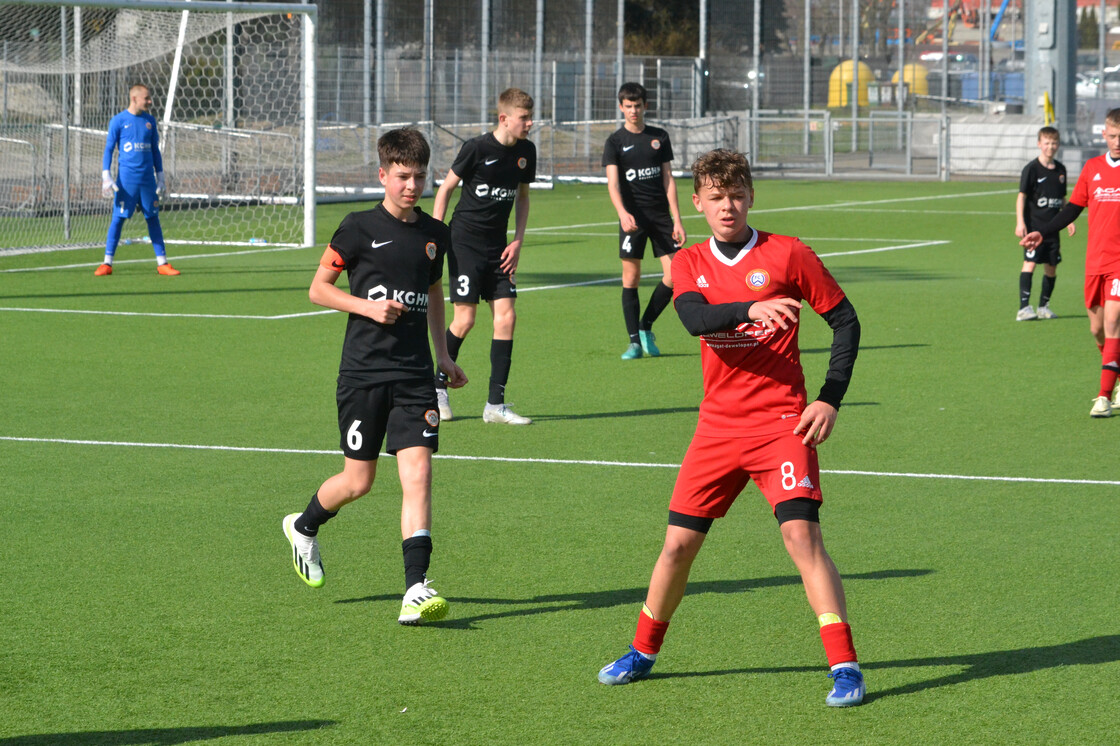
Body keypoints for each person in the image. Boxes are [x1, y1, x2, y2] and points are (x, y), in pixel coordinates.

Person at [597, 149, 866, 707]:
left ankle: (845, 666)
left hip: (781, 425)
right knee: (677, 547)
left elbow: (845, 320)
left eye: (738, 195)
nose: (728, 206)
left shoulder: (790, 254)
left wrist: (829, 399)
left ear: (751, 197)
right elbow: (695, 319)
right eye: (716, 197)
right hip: (717, 429)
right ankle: (643, 652)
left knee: (803, 538)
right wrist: (752, 309)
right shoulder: (689, 261)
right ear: (696, 202)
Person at [282, 128, 467, 625]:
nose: (412, 185)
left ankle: (415, 589)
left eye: (420, 176)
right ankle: (303, 526)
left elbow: (432, 297)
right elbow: (318, 289)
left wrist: (444, 356)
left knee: (419, 475)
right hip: (363, 374)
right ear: (382, 174)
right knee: (358, 481)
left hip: (413, 376)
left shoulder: (434, 235)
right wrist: (366, 306)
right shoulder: (356, 228)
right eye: (403, 176)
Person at [432, 88, 536, 425]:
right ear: (504, 118)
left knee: (506, 318)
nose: (530, 124)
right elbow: (446, 189)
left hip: (499, 247)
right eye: (524, 118)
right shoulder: (476, 148)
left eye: (531, 117)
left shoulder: (526, 152)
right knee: (465, 319)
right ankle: (437, 389)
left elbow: (522, 197)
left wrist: (518, 240)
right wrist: (433, 235)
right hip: (464, 243)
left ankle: (495, 406)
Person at [1022, 108, 1120, 418]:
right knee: (1096, 330)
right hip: (1096, 262)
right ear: (1103, 135)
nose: (1118, 142)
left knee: (1113, 323)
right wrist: (1042, 231)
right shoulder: (1092, 169)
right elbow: (1073, 209)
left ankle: (1103, 396)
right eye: (1113, 136)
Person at [602, 82, 686, 359]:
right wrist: (622, 213)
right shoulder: (615, 142)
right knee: (631, 277)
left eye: (637, 105)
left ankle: (646, 324)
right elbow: (613, 184)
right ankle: (634, 342)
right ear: (621, 107)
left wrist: (677, 219)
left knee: (675, 276)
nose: (633, 111)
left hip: (661, 217)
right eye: (628, 106)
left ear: (645, 106)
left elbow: (668, 178)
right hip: (632, 220)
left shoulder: (658, 137)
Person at [96, 84, 179, 276]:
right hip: (127, 181)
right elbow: (109, 148)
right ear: (134, 99)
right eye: (146, 98)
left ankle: (163, 263)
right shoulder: (118, 121)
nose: (150, 102)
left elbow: (155, 151)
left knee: (153, 217)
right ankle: (107, 263)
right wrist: (105, 175)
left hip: (147, 181)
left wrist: (160, 175)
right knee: (118, 219)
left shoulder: (150, 121)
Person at [1013, 126, 1074, 321]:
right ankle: (1023, 308)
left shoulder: (1060, 170)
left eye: (1054, 143)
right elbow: (1021, 197)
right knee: (1029, 264)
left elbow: (1062, 199)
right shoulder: (1031, 169)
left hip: (1053, 229)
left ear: (1058, 145)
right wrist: (1020, 222)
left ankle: (1043, 307)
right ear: (1039, 144)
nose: (1050, 147)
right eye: (1046, 143)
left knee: (1051, 267)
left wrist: (1068, 218)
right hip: (1033, 228)